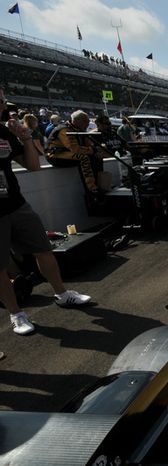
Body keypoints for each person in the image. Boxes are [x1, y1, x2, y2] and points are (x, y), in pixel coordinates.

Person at [1, 88, 91, 335]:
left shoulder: (5, 133)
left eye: (2, 100)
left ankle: (61, 293)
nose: (2, 105)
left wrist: (26, 138)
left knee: (44, 249)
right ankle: (16, 314)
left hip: (16, 203)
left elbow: (33, 166)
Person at [46, 110, 102, 197]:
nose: (87, 125)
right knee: (83, 157)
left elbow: (88, 144)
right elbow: (74, 149)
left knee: (96, 156)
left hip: (67, 153)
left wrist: (96, 150)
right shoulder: (65, 130)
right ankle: (92, 188)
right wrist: (92, 150)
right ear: (77, 121)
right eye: (85, 122)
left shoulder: (78, 128)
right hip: (55, 155)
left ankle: (100, 184)